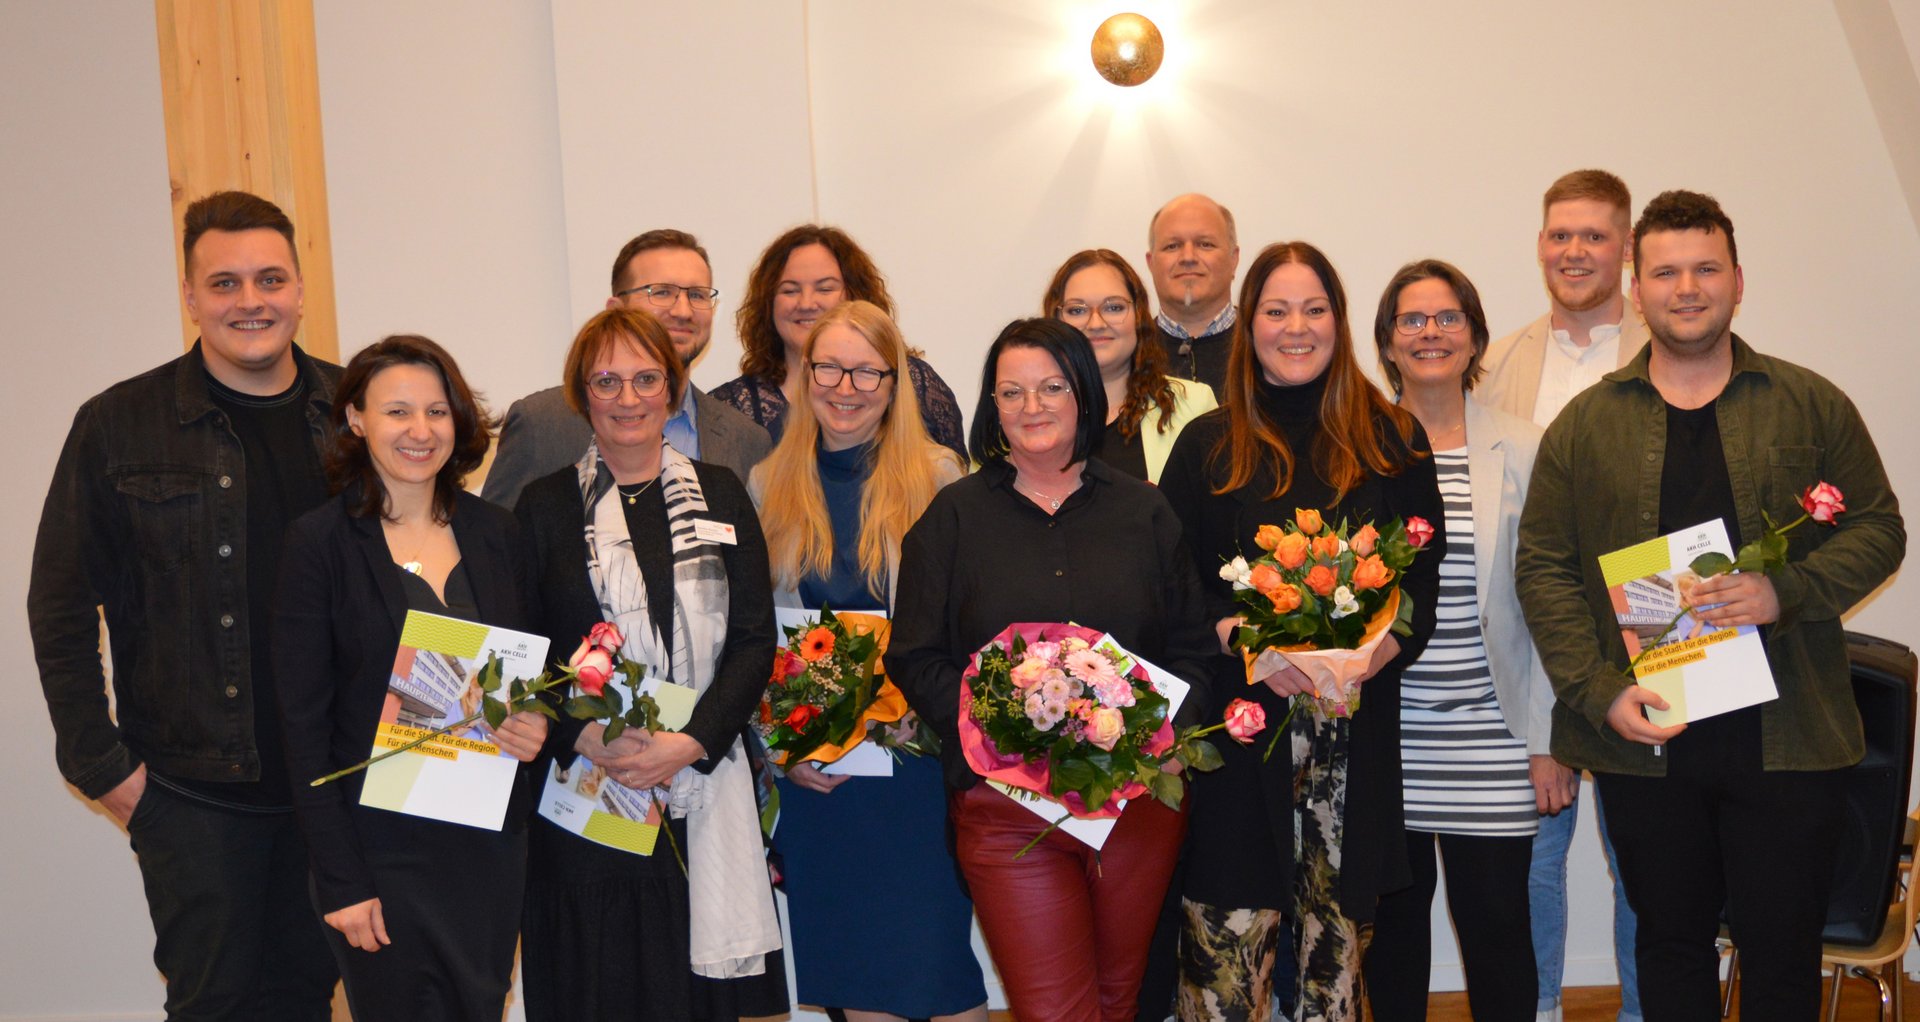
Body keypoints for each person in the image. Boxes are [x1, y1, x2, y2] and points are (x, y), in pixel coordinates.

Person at [1515, 190, 1905, 1020]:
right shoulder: (1585, 427)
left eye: (1705, 268)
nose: (1686, 287)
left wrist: (1784, 591)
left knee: (1782, 951)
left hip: (1790, 736)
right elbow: (1543, 569)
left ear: (1738, 280)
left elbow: (1879, 529)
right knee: (1668, 946)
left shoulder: (1811, 403)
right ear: (1638, 282)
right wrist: (1598, 690)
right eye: (1665, 271)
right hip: (1647, 733)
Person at [27, 190, 339, 1019]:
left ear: (301, 289)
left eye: (270, 278)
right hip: (194, 800)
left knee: (313, 1000)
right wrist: (105, 769)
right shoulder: (118, 425)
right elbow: (58, 604)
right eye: (225, 283)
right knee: (215, 1006)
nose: (251, 301)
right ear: (191, 297)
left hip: (334, 790)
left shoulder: (357, 418)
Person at [886, 318, 1216, 1022]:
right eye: (1012, 392)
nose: (1032, 406)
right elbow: (914, 654)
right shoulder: (952, 518)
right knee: (1055, 1010)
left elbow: (1194, 648)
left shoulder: (1145, 512)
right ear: (992, 406)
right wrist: (1003, 730)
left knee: (1116, 1001)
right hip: (1007, 807)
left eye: (1051, 388)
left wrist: (1150, 736)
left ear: (1084, 395)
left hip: (1135, 802)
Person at [1157, 241, 1442, 1022]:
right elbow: (1174, 591)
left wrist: (1386, 646)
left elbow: (1421, 578)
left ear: (1339, 322)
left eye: (1314, 309)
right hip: (1241, 745)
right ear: (1249, 326)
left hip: (1352, 746)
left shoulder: (1393, 439)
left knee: (1334, 978)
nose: (1296, 327)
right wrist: (1247, 643)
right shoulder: (1206, 446)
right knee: (1223, 972)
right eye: (1276, 310)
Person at [514, 306, 786, 1021]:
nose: (628, 398)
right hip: (589, 797)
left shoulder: (723, 490)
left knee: (690, 993)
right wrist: (582, 734)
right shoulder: (541, 509)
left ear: (672, 388)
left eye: (645, 379)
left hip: (700, 786)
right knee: (596, 988)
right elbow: (526, 647)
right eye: (608, 380)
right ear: (582, 392)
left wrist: (692, 742)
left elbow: (755, 637)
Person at [273, 335, 550, 1018]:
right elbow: (302, 728)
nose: (420, 431)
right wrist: (340, 880)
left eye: (437, 411)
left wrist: (538, 720)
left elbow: (539, 673)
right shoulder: (319, 544)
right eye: (398, 412)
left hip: (487, 849)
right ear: (356, 419)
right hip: (379, 856)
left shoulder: (497, 533)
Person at [748, 299, 984, 1022]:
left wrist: (924, 709)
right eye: (829, 367)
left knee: (939, 974)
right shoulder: (764, 484)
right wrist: (778, 747)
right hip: (818, 775)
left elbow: (968, 619)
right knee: (853, 978)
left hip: (912, 767)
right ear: (805, 372)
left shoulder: (942, 477)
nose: (845, 387)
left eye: (866, 372)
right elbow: (754, 633)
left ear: (894, 382)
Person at [1359, 260, 1549, 1021]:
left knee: (1499, 929)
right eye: (1412, 320)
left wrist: (1548, 738)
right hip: (1387, 736)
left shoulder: (1527, 447)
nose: (1431, 333)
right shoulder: (1357, 448)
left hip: (1495, 739)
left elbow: (1550, 599)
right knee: (1395, 934)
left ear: (1475, 337)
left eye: (1448, 319)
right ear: (1387, 341)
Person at [1479, 170, 1647, 1021]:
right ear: (1540, 244)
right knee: (1532, 856)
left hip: (1646, 633)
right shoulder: (1500, 361)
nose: (1574, 251)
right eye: (1559, 235)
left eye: (1593, 236)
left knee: (1645, 861)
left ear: (1626, 247)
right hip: (1535, 639)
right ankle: (1538, 1007)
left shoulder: (1674, 349)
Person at [482, 229, 771, 509]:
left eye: (697, 295)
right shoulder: (541, 425)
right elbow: (497, 548)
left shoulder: (746, 439)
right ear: (615, 309)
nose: (683, 311)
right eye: (661, 292)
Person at [711, 224, 967, 462]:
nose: (807, 303)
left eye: (825, 289)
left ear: (855, 294)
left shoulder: (916, 383)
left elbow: (957, 495)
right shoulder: (730, 407)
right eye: (790, 290)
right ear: (769, 303)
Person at [1042, 248, 1218, 483]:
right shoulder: (1028, 410)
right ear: (1056, 320)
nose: (1096, 323)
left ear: (1139, 316)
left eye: (1113, 307)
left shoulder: (1194, 404)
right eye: (1077, 310)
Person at [1146, 193, 1242, 398]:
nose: (1188, 257)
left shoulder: (1265, 346)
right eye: (1172, 246)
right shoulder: (1128, 354)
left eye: (1205, 244)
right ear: (1150, 262)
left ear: (1233, 258)